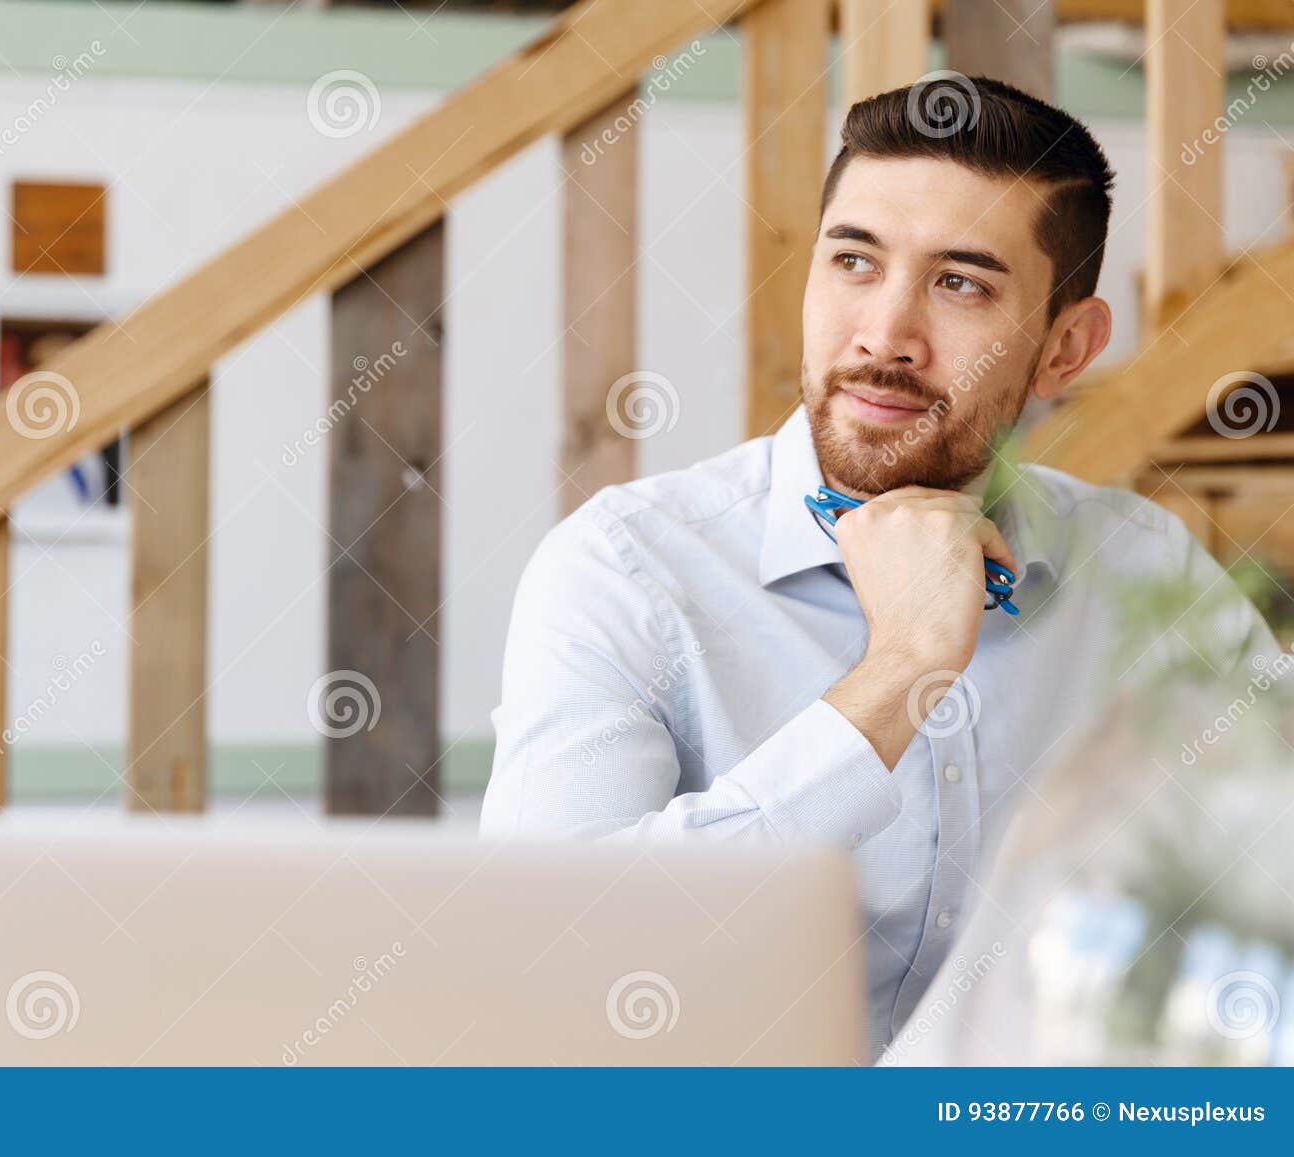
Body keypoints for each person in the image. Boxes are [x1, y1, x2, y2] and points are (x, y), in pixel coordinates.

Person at [478, 75, 1282, 1058]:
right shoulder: (624, 569)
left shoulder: (1143, 568)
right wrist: (897, 670)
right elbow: (545, 965)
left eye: (961, 283)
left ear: (1064, 347)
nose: (884, 337)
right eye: (853, 261)